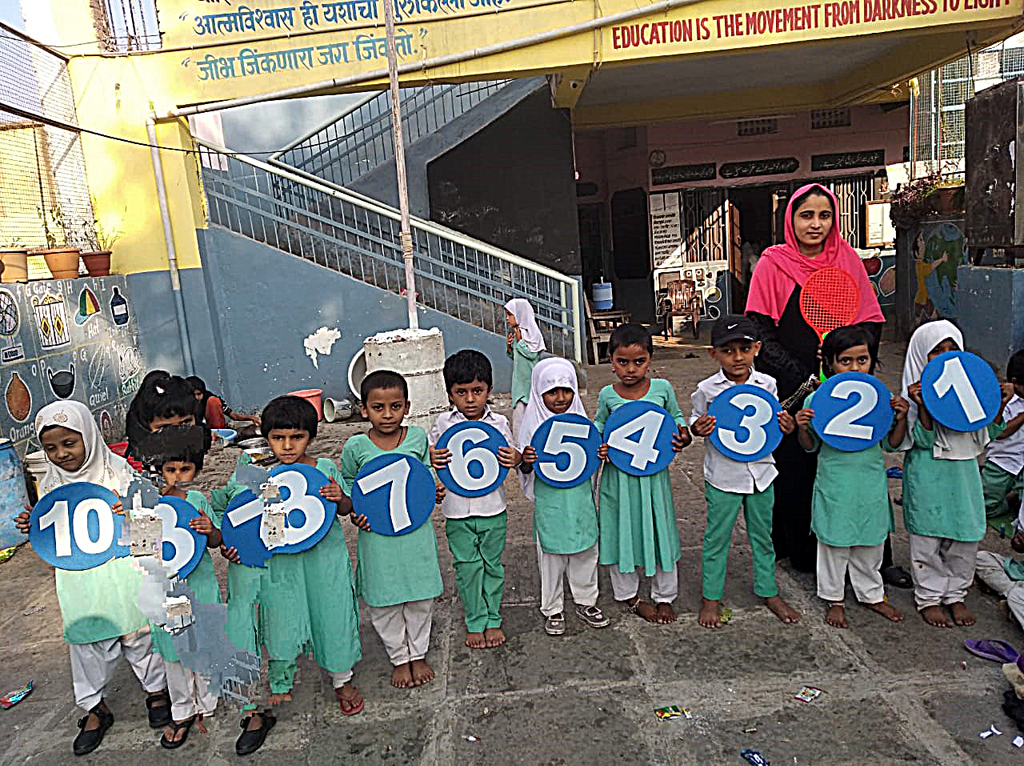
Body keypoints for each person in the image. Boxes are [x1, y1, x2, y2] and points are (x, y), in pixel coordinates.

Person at [744, 183, 904, 586]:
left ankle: (872, 557)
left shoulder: (848, 260)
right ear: (791, 220)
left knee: (856, 468)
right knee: (799, 468)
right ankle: (804, 552)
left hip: (847, 389)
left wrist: (844, 365)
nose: (815, 224)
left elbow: (870, 324)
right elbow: (760, 332)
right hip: (795, 390)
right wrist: (802, 375)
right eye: (806, 215)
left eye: (824, 215)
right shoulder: (773, 264)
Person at [13, 401, 170, 756]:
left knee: (139, 635)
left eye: (70, 443)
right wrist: (33, 525)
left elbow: (152, 526)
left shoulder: (120, 473)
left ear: (89, 435)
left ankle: (157, 691)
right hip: (80, 580)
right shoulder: (51, 485)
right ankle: (94, 707)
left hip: (124, 574)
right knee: (87, 645)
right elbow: (53, 538)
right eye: (51, 448)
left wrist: (133, 509)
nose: (61, 454)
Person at [217, 395, 364, 755]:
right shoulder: (252, 468)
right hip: (278, 565)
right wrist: (229, 545)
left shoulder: (324, 467)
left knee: (332, 615)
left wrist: (340, 497)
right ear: (265, 437)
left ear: (310, 437)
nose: (286, 446)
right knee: (280, 619)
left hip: (322, 560)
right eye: (278, 438)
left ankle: (342, 679)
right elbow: (232, 514)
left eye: (296, 437)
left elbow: (347, 508)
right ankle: (279, 681)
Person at [900, 320, 1015, 627]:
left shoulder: (968, 395)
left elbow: (990, 432)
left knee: (964, 535)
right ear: (920, 356)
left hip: (964, 474)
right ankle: (929, 596)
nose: (945, 357)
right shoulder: (911, 398)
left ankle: (955, 594)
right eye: (936, 351)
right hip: (928, 473)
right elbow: (920, 440)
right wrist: (923, 405)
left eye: (952, 350)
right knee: (927, 537)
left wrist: (998, 404)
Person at [689, 315, 800, 629]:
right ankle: (711, 597)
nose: (737, 357)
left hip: (761, 473)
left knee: (763, 535)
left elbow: (772, 422)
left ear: (757, 348)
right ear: (713, 354)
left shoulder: (767, 384)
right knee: (717, 537)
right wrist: (698, 427)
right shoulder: (707, 389)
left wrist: (787, 425)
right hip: (723, 476)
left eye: (744, 349)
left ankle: (768, 590)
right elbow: (694, 420)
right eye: (728, 351)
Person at [794, 325, 908, 629]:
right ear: (829, 363)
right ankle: (834, 598)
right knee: (833, 542)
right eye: (846, 360)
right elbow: (809, 447)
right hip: (835, 481)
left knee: (871, 540)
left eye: (862, 360)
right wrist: (802, 427)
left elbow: (892, 444)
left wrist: (900, 418)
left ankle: (872, 594)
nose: (855, 367)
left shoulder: (881, 399)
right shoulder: (816, 400)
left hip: (870, 483)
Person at [341, 371, 444, 689]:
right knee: (384, 600)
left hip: (415, 533)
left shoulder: (417, 438)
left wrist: (434, 489)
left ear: (407, 407)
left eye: (395, 406)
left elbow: (424, 474)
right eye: (378, 407)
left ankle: (418, 652)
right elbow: (349, 485)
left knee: (419, 595)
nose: (387, 414)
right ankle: (399, 656)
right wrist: (354, 511)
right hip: (378, 538)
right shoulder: (356, 446)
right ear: (363, 409)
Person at [594, 324, 692, 624]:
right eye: (622, 361)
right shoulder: (607, 394)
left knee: (660, 528)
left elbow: (676, 417)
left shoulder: (662, 389)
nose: (631, 369)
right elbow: (599, 425)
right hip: (619, 480)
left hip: (653, 478)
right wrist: (597, 445)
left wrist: (683, 433)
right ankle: (630, 596)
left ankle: (665, 595)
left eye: (639, 361)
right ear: (611, 361)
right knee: (621, 529)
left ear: (650, 359)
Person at [429, 350, 520, 649]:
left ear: (489, 390)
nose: (470, 399)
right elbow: (430, 455)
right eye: (461, 392)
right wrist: (432, 458)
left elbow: (512, 456)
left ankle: (493, 618)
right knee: (467, 567)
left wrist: (514, 458)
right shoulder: (442, 423)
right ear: (449, 393)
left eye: (477, 391)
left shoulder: (500, 423)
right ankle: (475, 619)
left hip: (493, 509)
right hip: (457, 512)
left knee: (492, 565)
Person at [518, 357, 610, 636]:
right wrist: (526, 460)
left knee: (585, 548)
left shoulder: (581, 421)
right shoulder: (532, 425)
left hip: (579, 500)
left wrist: (600, 454)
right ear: (539, 392)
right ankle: (552, 607)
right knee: (551, 555)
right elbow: (524, 468)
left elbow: (589, 461)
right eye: (552, 392)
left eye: (567, 390)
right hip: (551, 503)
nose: (560, 398)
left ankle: (586, 600)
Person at [148, 447, 223, 748]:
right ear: (159, 471)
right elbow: (140, 550)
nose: (177, 476)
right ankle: (182, 709)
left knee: (201, 642)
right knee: (175, 649)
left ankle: (207, 702)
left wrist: (209, 529)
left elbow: (216, 541)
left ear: (197, 471)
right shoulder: (149, 504)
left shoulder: (197, 500)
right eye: (170, 470)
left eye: (185, 469)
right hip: (168, 590)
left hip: (198, 585)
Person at [982, 349, 1024, 529]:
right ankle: (1009, 500)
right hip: (1002, 462)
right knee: (985, 506)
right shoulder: (1004, 400)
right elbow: (1000, 432)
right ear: (1015, 382)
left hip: (1022, 465)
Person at [505, 298, 546, 437]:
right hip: (519, 384)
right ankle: (519, 444)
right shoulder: (517, 333)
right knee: (519, 418)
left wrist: (521, 341)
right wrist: (509, 347)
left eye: (510, 314)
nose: (507, 318)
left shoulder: (532, 334)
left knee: (533, 416)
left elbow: (532, 354)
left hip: (530, 382)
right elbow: (516, 357)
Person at [186, 375, 260, 430]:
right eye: (193, 395)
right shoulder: (183, 403)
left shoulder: (209, 398)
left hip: (211, 432)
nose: (196, 397)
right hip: (192, 432)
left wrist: (251, 417)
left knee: (213, 401)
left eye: (199, 394)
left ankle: (219, 435)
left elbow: (233, 415)